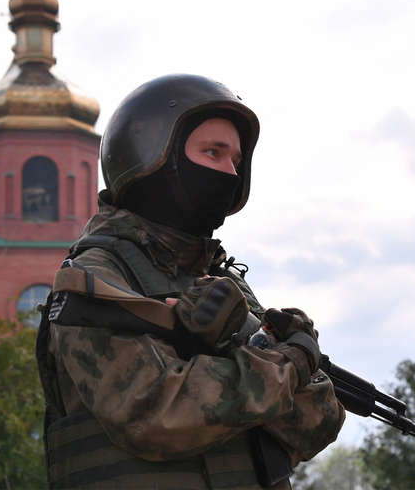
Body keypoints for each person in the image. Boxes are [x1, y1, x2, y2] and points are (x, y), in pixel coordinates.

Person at [36, 74, 345, 489]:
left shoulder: (223, 280)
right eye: (213, 152)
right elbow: (155, 414)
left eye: (236, 160)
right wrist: (288, 363)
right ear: (152, 157)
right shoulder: (95, 277)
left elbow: (318, 423)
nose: (229, 172)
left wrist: (272, 354)